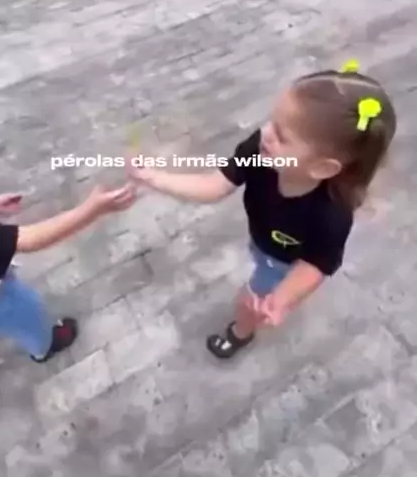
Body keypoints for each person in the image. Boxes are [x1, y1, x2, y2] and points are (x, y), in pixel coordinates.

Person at [128, 61, 396, 360]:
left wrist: (280, 300)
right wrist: (154, 178)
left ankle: (239, 333)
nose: (265, 133)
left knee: (250, 300)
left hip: (281, 263)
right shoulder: (259, 152)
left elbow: (316, 265)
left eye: (281, 136)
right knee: (259, 256)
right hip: (264, 239)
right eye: (271, 121)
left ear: (322, 167)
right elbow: (216, 185)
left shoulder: (332, 215)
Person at [0, 180, 136, 362]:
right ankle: (44, 348)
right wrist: (92, 210)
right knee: (29, 317)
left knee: (23, 311)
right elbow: (26, 240)